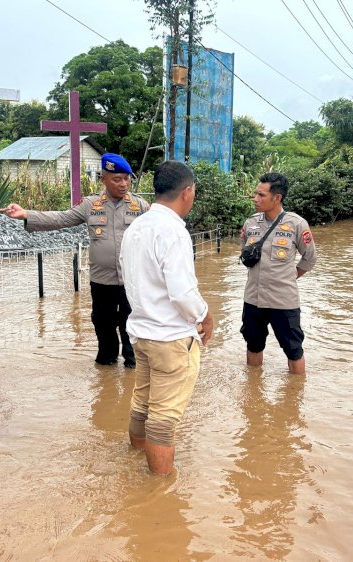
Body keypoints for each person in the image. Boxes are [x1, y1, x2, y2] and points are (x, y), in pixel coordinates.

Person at [0, 153, 149, 368]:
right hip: (102, 283)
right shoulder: (91, 205)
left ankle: (132, 378)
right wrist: (26, 214)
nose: (123, 184)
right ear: (103, 179)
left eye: (127, 178)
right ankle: (105, 379)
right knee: (104, 332)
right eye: (117, 179)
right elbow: (60, 218)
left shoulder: (141, 207)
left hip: (131, 283)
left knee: (132, 332)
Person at [119, 160, 214, 475]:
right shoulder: (173, 231)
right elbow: (183, 292)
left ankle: (134, 458)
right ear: (187, 192)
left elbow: (128, 277)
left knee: (142, 402)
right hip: (171, 337)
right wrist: (205, 317)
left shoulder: (137, 227)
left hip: (142, 334)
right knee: (164, 417)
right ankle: (159, 490)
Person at [240, 172, 317, 375]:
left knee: (293, 350)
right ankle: (253, 390)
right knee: (253, 345)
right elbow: (245, 253)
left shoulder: (297, 224)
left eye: (261, 195)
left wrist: (289, 277)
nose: (255, 199)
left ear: (277, 198)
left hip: (283, 300)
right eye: (255, 194)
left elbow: (310, 258)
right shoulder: (250, 224)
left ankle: (295, 398)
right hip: (253, 299)